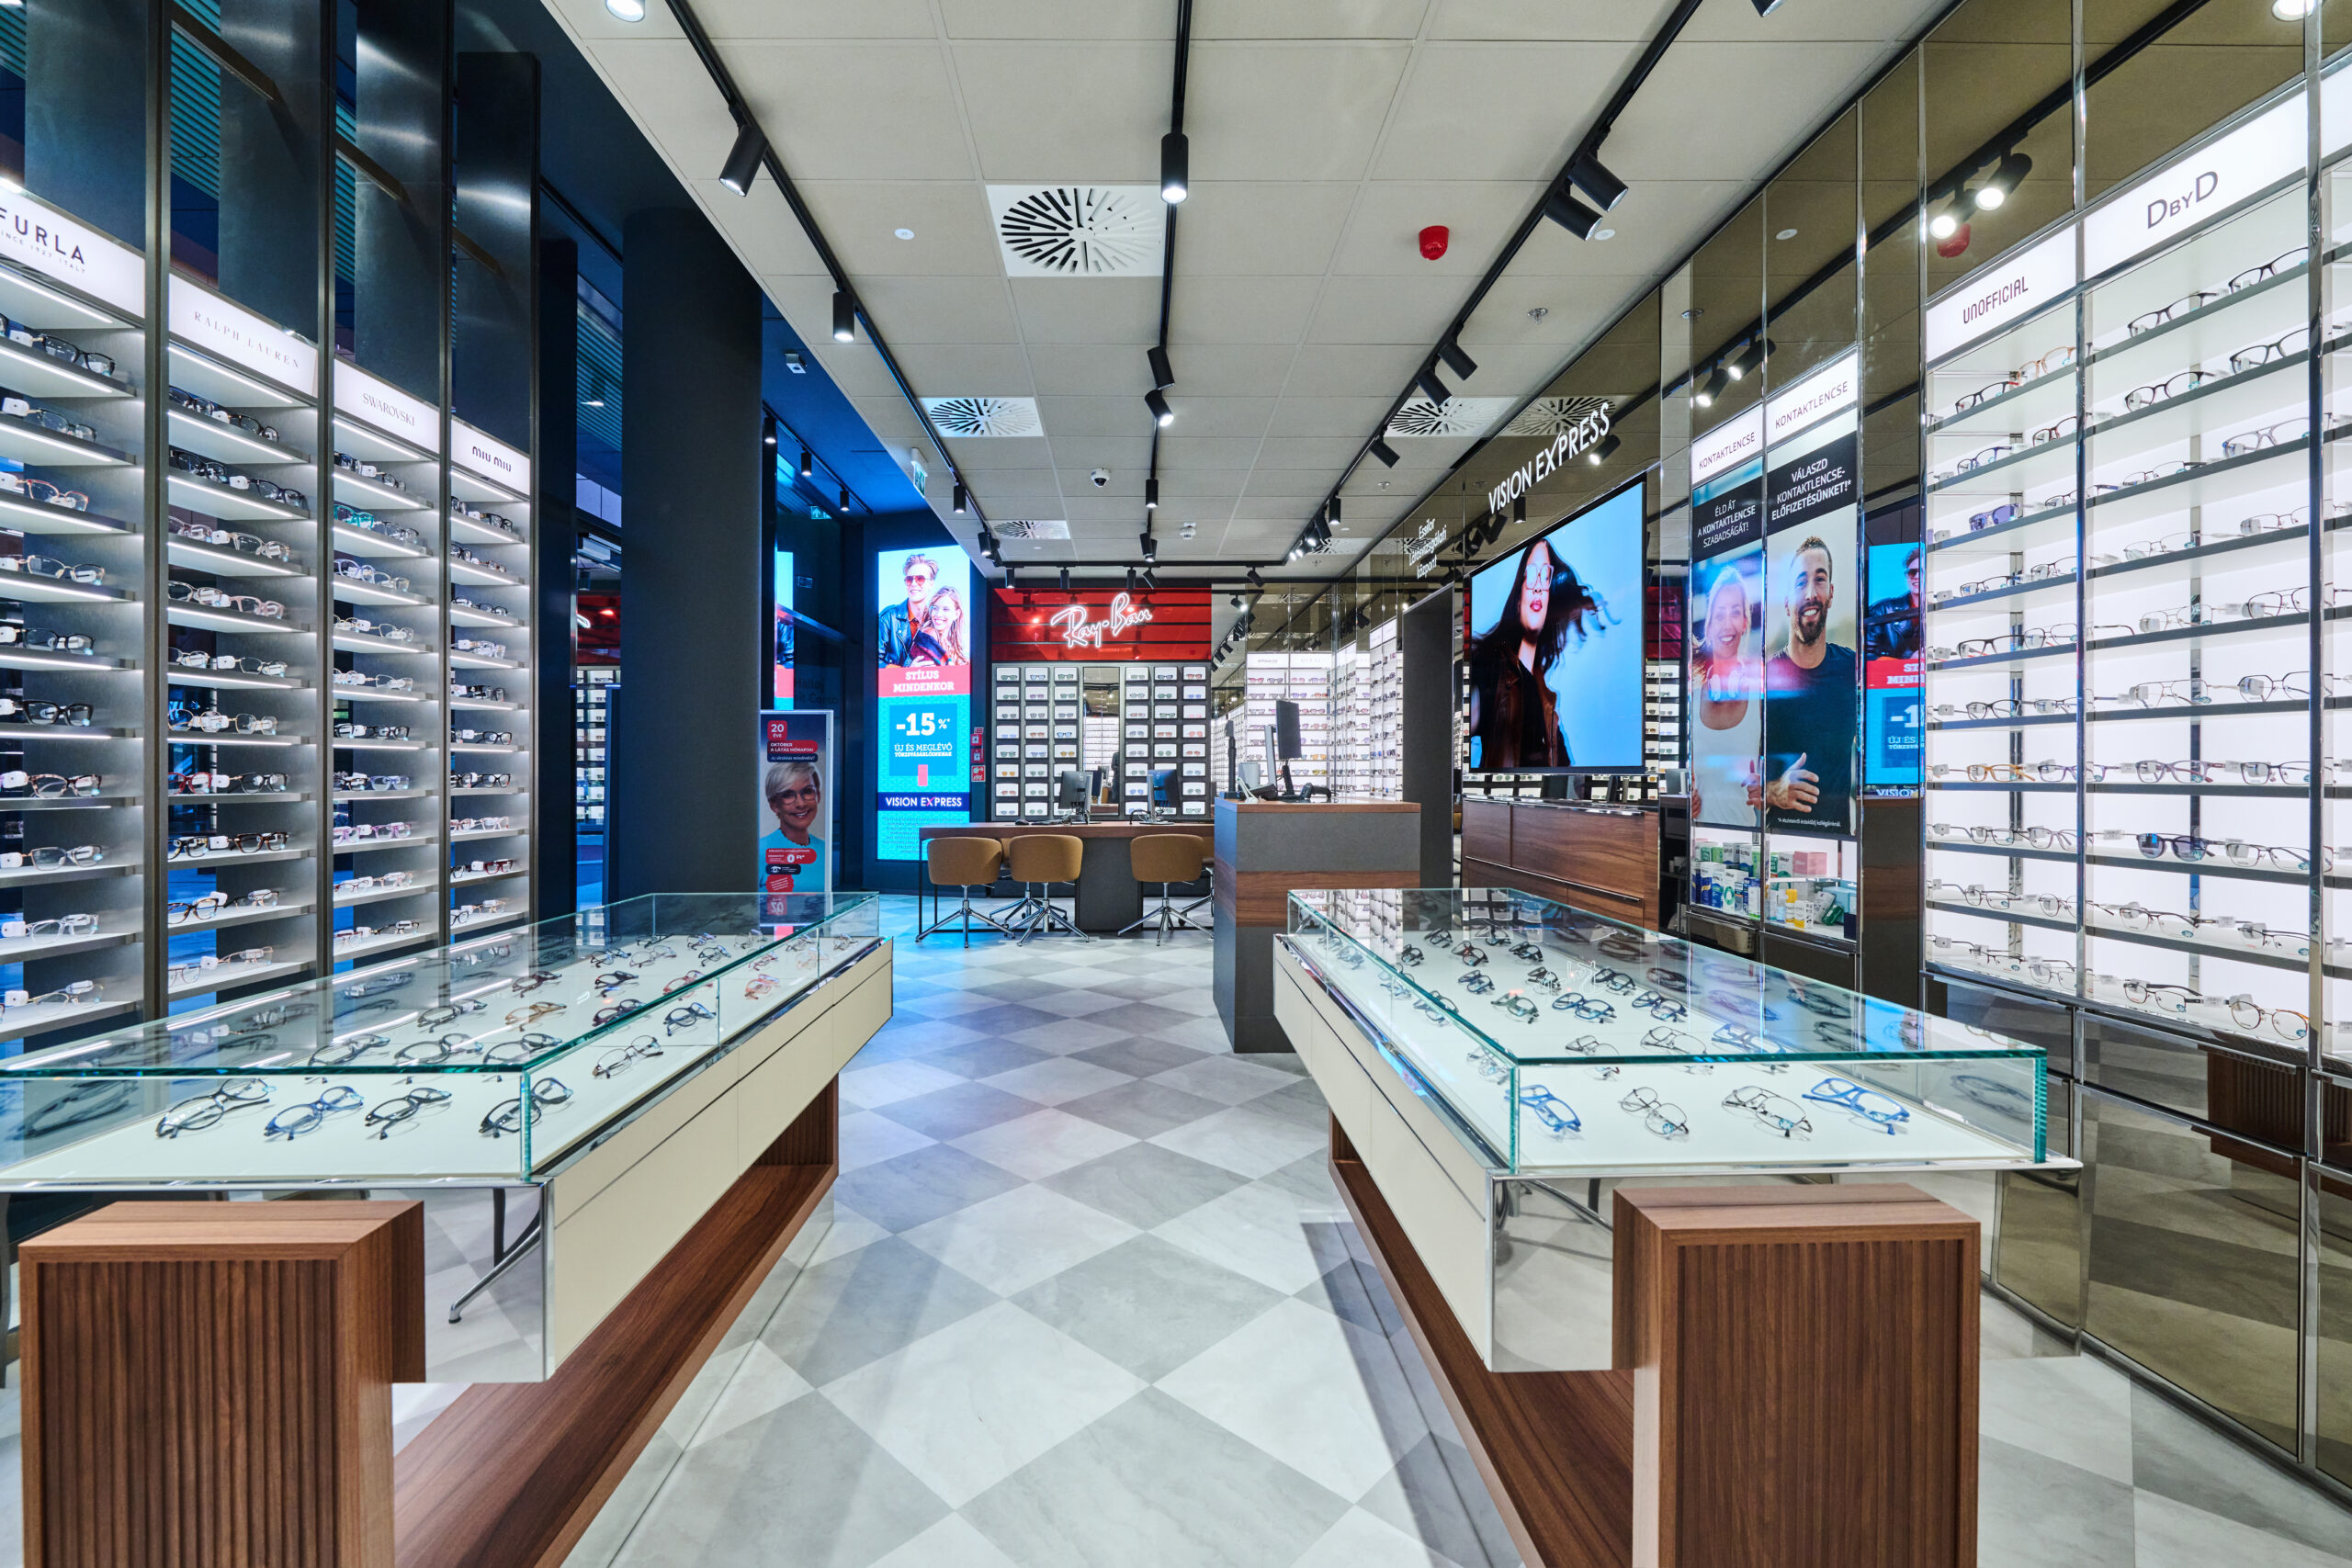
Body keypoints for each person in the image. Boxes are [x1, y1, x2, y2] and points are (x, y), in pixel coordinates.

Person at [1466, 538, 1611, 770]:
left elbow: (1567, 777)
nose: (1537, 587)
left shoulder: (1546, 700)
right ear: (1518, 599)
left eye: (1545, 576)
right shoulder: (1491, 667)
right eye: (1531, 574)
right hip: (1499, 794)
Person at [1764, 535, 1859, 832]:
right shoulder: (1763, 680)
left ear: (1830, 593)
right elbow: (1734, 778)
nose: (1810, 592)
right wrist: (1773, 791)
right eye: (1800, 582)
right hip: (1778, 848)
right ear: (1786, 601)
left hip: (1838, 847)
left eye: (1819, 580)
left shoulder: (1854, 670)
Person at [1690, 564, 1762, 827]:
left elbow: (1777, 773)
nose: (1727, 624)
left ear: (1745, 623)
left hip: (1746, 843)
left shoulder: (1760, 698)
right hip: (1696, 841)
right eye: (1719, 614)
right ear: (1709, 626)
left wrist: (1767, 788)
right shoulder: (1691, 700)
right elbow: (1674, 776)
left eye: (1735, 612)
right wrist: (1685, 800)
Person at [758, 760, 826, 891]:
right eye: (788, 795)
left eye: (807, 791)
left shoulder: (827, 851)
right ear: (774, 805)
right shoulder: (758, 852)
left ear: (818, 796)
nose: (801, 804)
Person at [877, 553, 938, 668]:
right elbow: (873, 662)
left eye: (920, 579)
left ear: (931, 584)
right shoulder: (888, 617)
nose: (914, 584)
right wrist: (906, 672)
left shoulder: (937, 620)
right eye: (909, 579)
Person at [1864, 546, 1921, 660]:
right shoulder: (1883, 610)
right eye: (1912, 572)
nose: (1917, 577)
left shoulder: (1940, 611)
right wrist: (1906, 662)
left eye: (1922, 571)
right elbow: (1866, 657)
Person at [910, 585, 967, 667]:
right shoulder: (929, 634)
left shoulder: (951, 645)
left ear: (956, 614)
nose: (938, 614)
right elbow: (930, 672)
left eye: (946, 609)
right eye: (935, 608)